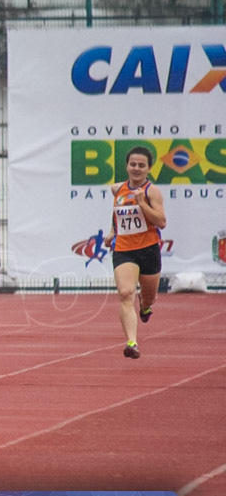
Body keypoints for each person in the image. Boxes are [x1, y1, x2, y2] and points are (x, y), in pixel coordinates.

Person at [103, 146, 167, 359]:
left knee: (148, 297)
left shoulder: (152, 191)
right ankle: (132, 343)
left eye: (141, 165)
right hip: (124, 250)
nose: (136, 169)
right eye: (133, 164)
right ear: (126, 166)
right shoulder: (117, 189)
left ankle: (146, 307)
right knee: (125, 293)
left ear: (149, 168)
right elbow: (117, 215)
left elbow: (161, 222)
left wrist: (142, 203)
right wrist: (113, 232)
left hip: (148, 249)